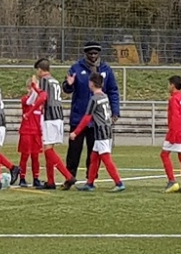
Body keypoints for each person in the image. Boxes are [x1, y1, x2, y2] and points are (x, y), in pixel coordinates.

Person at [62, 41, 120, 182]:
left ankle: (91, 178)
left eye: (96, 53)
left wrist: (115, 111)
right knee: (74, 150)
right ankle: (70, 176)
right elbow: (67, 88)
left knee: (94, 151)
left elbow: (113, 91)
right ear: (86, 54)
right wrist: (68, 85)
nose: (93, 56)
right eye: (90, 53)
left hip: (97, 120)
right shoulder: (76, 68)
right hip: (79, 116)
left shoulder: (106, 69)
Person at [70, 72, 125, 193]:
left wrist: (76, 132)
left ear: (91, 83)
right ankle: (90, 183)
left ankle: (118, 182)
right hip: (107, 129)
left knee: (105, 158)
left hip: (101, 131)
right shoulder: (104, 96)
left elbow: (87, 118)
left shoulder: (94, 99)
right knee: (94, 157)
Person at [31, 59, 75, 190]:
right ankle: (50, 181)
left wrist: (32, 110)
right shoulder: (54, 81)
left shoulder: (44, 80)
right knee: (48, 148)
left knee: (48, 149)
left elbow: (43, 97)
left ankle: (68, 176)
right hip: (58, 116)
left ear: (40, 69)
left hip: (50, 117)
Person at [162, 75, 181, 194]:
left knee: (164, 155)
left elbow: (175, 117)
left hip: (176, 132)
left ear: (172, 85)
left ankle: (172, 181)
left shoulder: (173, 99)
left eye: (169, 84)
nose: (168, 86)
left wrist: (173, 134)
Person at [18, 76, 44, 188]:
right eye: (29, 88)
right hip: (26, 131)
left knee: (35, 157)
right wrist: (34, 87)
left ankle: (36, 178)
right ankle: (22, 177)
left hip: (36, 133)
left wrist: (42, 133)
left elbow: (41, 118)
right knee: (25, 155)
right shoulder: (25, 100)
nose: (31, 90)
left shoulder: (40, 103)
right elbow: (31, 99)